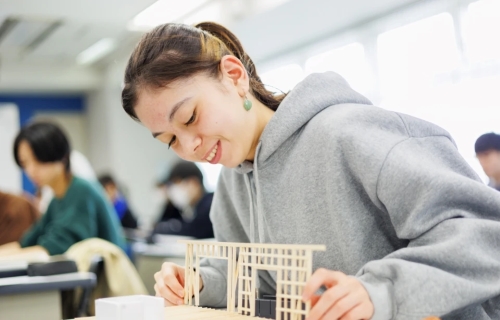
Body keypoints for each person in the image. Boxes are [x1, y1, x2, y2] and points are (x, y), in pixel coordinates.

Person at [120, 22, 500, 320]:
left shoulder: (349, 133)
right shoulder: (235, 180)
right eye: (169, 140)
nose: (190, 147)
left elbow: (486, 234)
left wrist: (378, 292)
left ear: (234, 76)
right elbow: (260, 280)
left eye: (190, 118)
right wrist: (204, 282)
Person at [0, 122, 125, 259]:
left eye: (38, 159)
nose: (31, 170)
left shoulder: (81, 191)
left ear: (61, 156)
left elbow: (52, 249)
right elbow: (27, 243)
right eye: (25, 163)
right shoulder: (56, 200)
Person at [153, 160, 214, 239]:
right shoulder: (192, 208)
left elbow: (193, 231)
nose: (174, 190)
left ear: (193, 183)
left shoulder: (210, 205)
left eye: (177, 184)